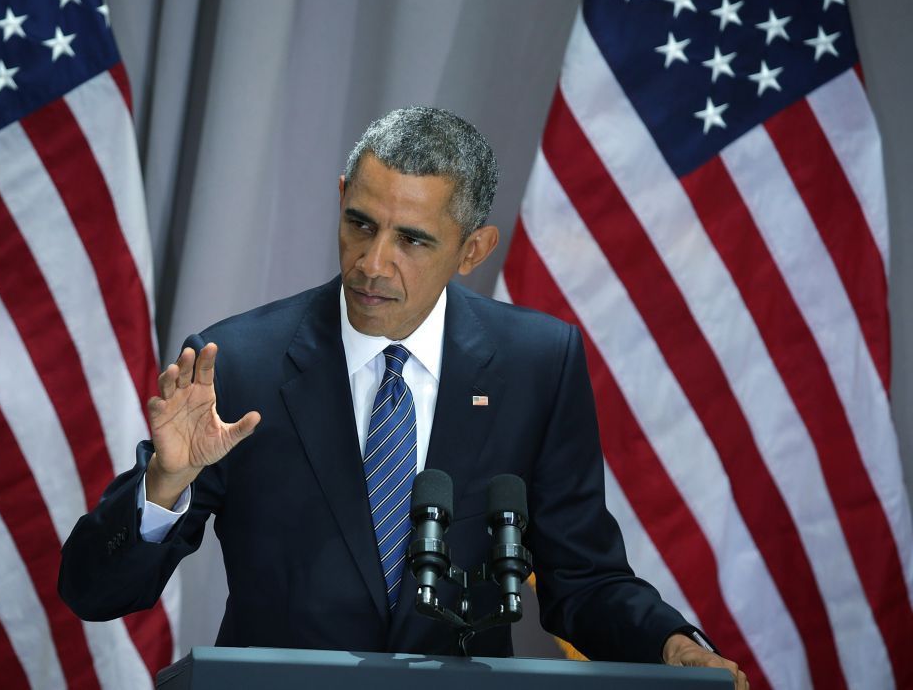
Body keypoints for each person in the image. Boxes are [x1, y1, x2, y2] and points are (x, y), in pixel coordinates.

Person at [59, 107, 747, 688]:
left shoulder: (535, 365)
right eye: (361, 223)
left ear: (472, 249)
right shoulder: (241, 363)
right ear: (340, 198)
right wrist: (163, 483)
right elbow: (95, 591)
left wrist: (672, 647)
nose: (372, 262)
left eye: (412, 239)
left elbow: (584, 581)